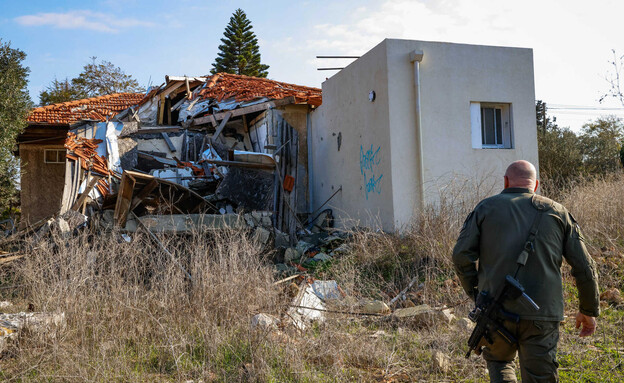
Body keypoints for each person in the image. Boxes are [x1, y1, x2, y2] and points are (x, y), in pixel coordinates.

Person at [452, 160, 600, 383]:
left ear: (505, 181)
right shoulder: (558, 211)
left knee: (500, 363)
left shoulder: (485, 208)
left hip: (494, 309)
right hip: (542, 315)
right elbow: (584, 266)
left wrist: (476, 293)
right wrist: (588, 309)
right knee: (540, 376)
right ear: (536, 184)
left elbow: (461, 255)